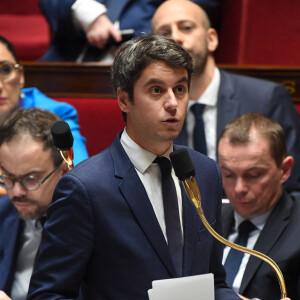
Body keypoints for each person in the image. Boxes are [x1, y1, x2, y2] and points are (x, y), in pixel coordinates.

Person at [28, 34, 241, 300]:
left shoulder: (205, 172)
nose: (173, 103)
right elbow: (48, 294)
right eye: (156, 90)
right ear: (124, 100)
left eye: (180, 89)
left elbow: (214, 283)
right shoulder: (86, 189)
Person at [152, 0, 300, 196]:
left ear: (211, 39)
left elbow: (294, 187)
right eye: (164, 34)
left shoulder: (266, 99)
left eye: (186, 27)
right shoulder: (152, 110)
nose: (176, 38)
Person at [218, 113, 300, 300]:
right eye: (228, 175)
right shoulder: (207, 221)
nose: (239, 189)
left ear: (284, 170)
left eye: (254, 175)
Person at [0, 109, 69, 300]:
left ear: (63, 171)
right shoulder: (3, 212)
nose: (16, 192)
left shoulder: (90, 225)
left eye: (30, 179)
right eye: (8, 177)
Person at [0, 35, 88, 165]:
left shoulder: (54, 116)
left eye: (6, 70)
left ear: (21, 76)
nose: (0, 86)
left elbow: (78, 175)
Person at [38, 0, 223, 62]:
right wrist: (84, 11)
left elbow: (193, 12)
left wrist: (144, 42)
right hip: (67, 62)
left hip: (149, 64)